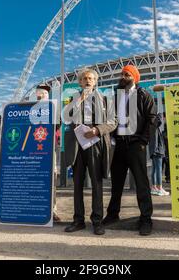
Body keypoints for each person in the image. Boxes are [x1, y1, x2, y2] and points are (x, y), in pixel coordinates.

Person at [103, 65, 157, 236]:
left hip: (136, 145)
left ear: (135, 77)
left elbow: (152, 118)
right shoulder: (116, 96)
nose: (123, 77)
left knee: (141, 183)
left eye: (127, 74)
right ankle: (112, 214)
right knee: (117, 183)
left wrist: (143, 140)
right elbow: (110, 118)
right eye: (122, 74)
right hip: (118, 144)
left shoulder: (143, 95)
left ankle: (146, 219)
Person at [63, 69, 117, 235]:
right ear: (80, 82)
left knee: (96, 183)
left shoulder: (106, 99)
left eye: (91, 79)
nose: (87, 81)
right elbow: (65, 117)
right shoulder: (72, 99)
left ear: (95, 82)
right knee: (77, 184)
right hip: (77, 146)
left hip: (95, 144)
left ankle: (97, 221)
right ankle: (78, 220)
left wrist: (97, 130)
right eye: (85, 79)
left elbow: (113, 122)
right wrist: (79, 100)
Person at [36, 84, 62, 223]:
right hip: (32, 151)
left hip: (49, 149)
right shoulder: (29, 108)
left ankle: (52, 210)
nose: (41, 95)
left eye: (44, 93)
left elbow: (58, 125)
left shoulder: (54, 109)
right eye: (39, 93)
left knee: (51, 180)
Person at [149, 113, 169, 197]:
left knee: (154, 169)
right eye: (164, 118)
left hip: (154, 151)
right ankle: (160, 188)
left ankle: (154, 187)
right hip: (158, 151)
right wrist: (160, 115)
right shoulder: (156, 127)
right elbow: (159, 120)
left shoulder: (152, 127)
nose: (164, 120)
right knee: (159, 170)